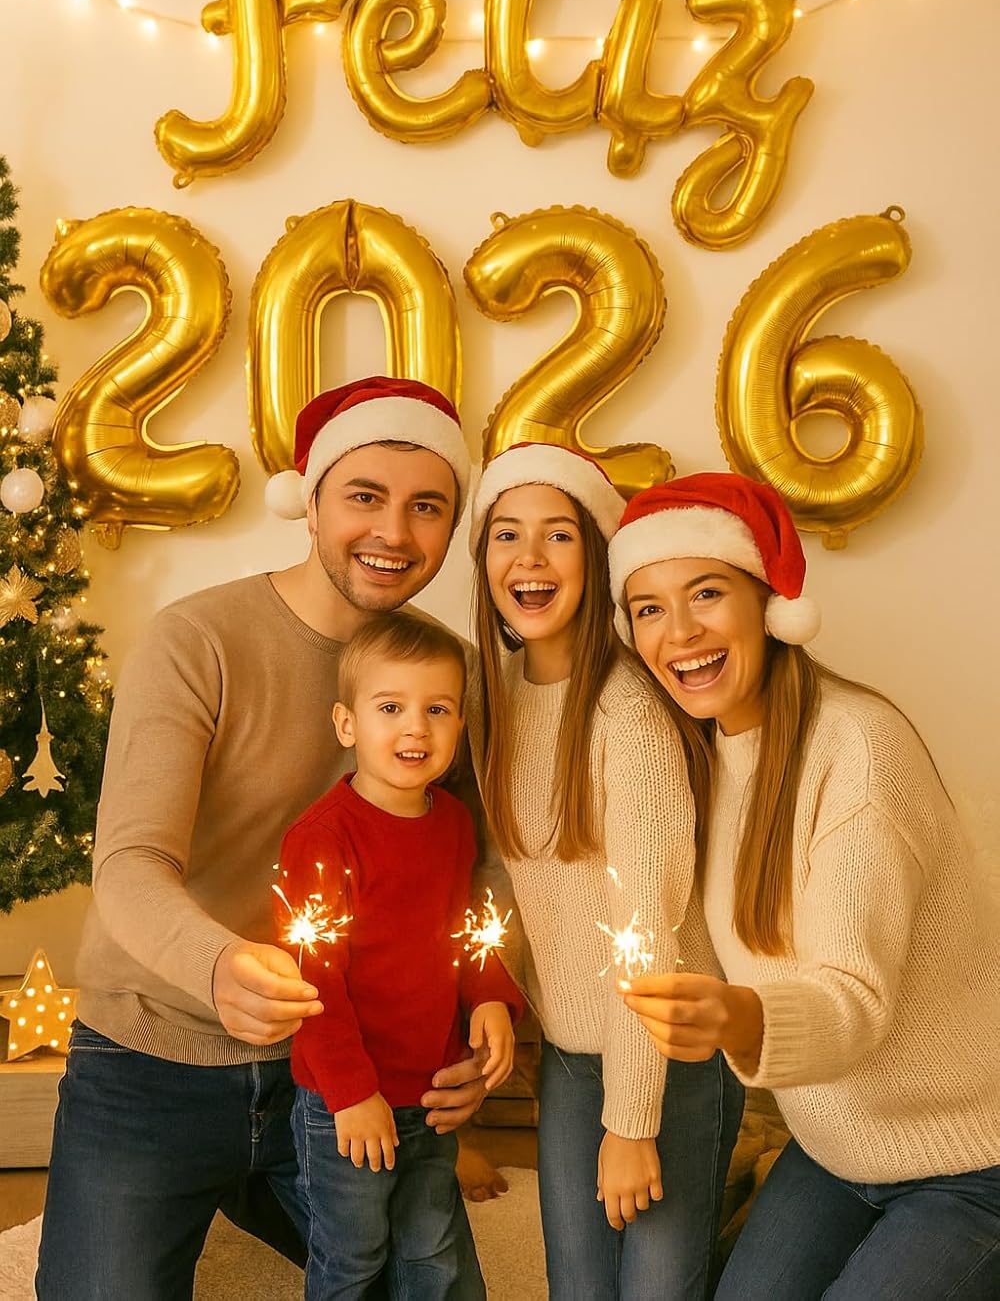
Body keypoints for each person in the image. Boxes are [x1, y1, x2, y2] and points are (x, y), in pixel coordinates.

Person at [37, 377, 508, 1301]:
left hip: (349, 1068)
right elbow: (131, 861)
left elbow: (470, 869)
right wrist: (216, 965)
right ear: (312, 502)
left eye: (427, 509)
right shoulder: (197, 641)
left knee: (426, 1283)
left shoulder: (441, 680)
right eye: (364, 498)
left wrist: (471, 1026)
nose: (394, 534)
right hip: (153, 1060)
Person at [608, 470, 1000, 1300]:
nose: (679, 632)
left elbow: (853, 1003)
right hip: (831, 1154)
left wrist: (741, 1015)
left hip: (972, 1160)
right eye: (649, 608)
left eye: (706, 593)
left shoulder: (856, 751)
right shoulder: (708, 760)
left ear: (768, 605)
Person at [468, 443, 744, 1301]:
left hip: (670, 1053)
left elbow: (646, 932)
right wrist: (491, 989)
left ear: (595, 556)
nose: (530, 558)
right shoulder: (496, 696)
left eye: (559, 536)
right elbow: (501, 878)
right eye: (507, 535)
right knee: (578, 1289)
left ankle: (734, 1198)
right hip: (576, 1056)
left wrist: (633, 1125)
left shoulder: (628, 712)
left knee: (655, 1289)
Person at [279, 611, 523, 1298]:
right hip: (345, 1101)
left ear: (459, 727)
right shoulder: (322, 839)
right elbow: (312, 980)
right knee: (352, 1256)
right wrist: (352, 1094)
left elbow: (464, 926)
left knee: (430, 1251)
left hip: (432, 1088)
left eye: (437, 709)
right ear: (347, 724)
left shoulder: (451, 822)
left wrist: (494, 1001)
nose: (416, 727)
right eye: (391, 708)